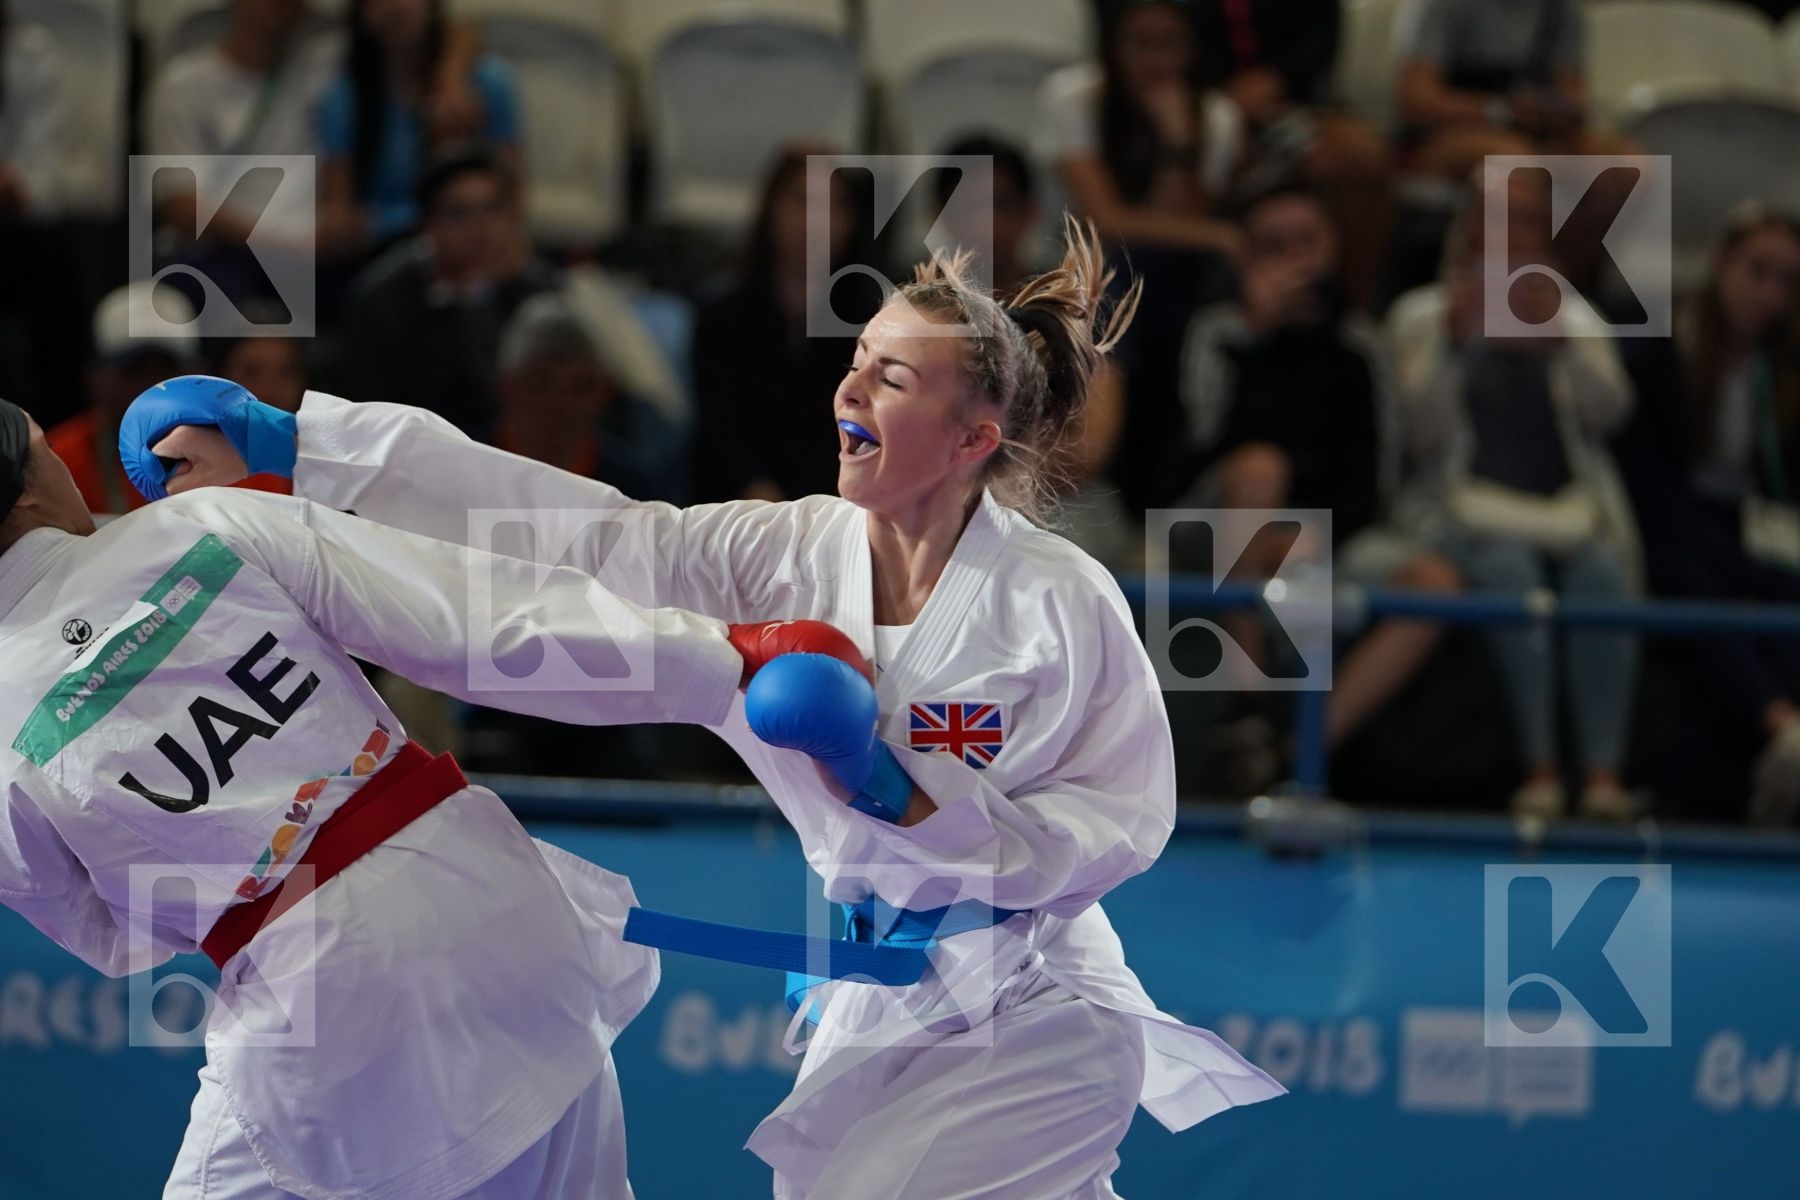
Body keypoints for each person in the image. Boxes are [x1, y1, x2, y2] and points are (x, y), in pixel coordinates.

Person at [132, 220, 1286, 1197]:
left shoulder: (1060, 603)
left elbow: (1120, 822)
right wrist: (315, 452)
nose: (851, 387)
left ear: (974, 438)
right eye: (857, 360)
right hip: (879, 1001)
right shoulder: (780, 556)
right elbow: (586, 535)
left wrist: (895, 784)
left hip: (1032, 1002)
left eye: (894, 376)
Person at [6, 384, 868, 1197]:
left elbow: (104, 933)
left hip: (313, 996)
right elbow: (474, 624)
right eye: (52, 452)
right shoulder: (203, 524)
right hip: (484, 900)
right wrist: (726, 658)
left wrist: (220, 864)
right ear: (33, 491)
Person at [1385, 171, 1640, 821]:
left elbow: (1611, 412)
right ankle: (1541, 771)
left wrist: (1559, 341)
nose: (1510, 235)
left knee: (1604, 577)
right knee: (1511, 573)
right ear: (1470, 226)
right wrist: (1458, 336)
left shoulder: (1575, 315)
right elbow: (1416, 433)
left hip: (1567, 513)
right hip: (1466, 514)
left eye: (1526, 221)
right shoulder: (1420, 315)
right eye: (1497, 219)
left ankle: (1605, 776)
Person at [1177, 184, 1461, 762]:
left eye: (1305, 242)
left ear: (1332, 247)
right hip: (1211, 519)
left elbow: (1375, 477)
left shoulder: (1362, 347)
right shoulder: (1219, 334)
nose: (1292, 260)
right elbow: (1190, 455)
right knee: (1260, 469)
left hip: (1326, 532)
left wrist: (1316, 536)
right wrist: (1256, 341)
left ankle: (1293, 754)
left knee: (1436, 583)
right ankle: (1247, 699)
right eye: (1271, 245)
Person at [1616, 205, 1800, 825]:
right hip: (1673, 531)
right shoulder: (1657, 354)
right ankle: (1777, 723)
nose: (1769, 293)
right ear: (1720, 263)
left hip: (1760, 541)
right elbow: (1650, 499)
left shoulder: (1789, 372)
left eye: (1788, 281)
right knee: (1698, 585)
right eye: (1758, 271)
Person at [1394, 0, 1638, 290]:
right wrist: (1502, 111)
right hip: (1445, 137)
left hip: (1532, 134)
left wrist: (1557, 111)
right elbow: (1416, 101)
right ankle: (1492, 300)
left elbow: (1572, 92)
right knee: (1516, 167)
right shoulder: (1438, 6)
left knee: (1626, 168)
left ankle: (1559, 294)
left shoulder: (1561, 10)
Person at [689, 143, 881, 504]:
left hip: (837, 508)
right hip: (735, 511)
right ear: (772, 208)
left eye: (835, 204)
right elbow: (722, 432)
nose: (817, 220)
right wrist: (770, 509)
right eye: (802, 200)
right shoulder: (720, 314)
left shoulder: (873, 321)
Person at [342, 144, 556, 437]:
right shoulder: (384, 299)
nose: (481, 227)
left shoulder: (538, 293)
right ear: (427, 224)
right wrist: (467, 301)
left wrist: (479, 295)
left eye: (493, 209)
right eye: (460, 213)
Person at [316, 0, 520, 257]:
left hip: (475, 251)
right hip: (382, 256)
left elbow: (511, 198)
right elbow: (339, 216)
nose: (395, 7)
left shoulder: (485, 84)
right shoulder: (346, 98)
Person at [48, 282, 202, 516]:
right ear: (98, 378)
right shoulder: (57, 464)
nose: (153, 387)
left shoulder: (242, 460)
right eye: (134, 371)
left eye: (165, 371)